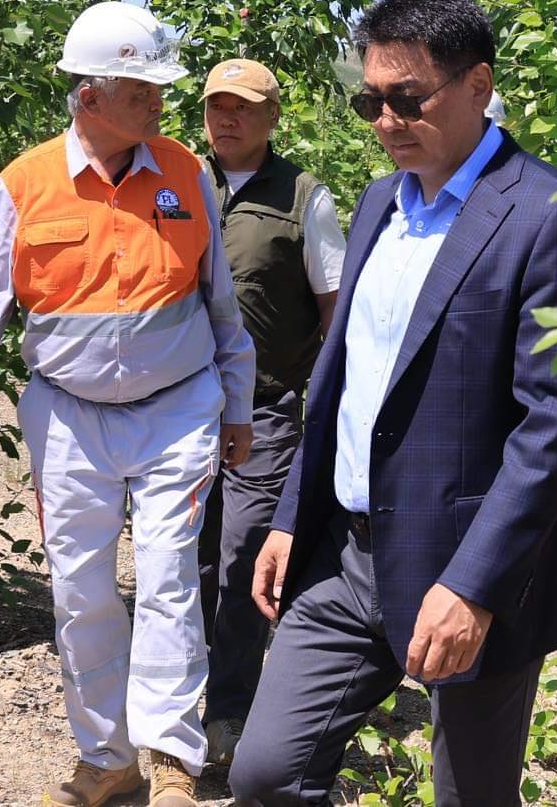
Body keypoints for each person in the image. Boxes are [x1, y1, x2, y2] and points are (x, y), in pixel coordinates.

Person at [227, 0, 557, 807]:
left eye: (407, 99)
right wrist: (292, 516)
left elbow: (556, 423)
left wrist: (473, 586)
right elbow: (340, 377)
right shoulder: (376, 206)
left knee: (469, 795)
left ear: (478, 85)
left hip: (470, 565)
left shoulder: (550, 215)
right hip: (346, 554)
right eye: (371, 100)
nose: (386, 121)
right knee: (265, 775)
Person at [0, 2, 256, 807]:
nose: (160, 104)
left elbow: (221, 305)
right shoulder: (25, 185)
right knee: (81, 588)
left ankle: (172, 761)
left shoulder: (184, 173)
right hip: (67, 416)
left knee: (172, 576)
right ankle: (106, 762)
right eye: (142, 89)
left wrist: (235, 404)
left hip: (177, 410)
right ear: (90, 96)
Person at [193, 57, 347, 767]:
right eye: (217, 107)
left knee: (243, 558)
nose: (228, 119)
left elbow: (334, 311)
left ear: (272, 117)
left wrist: (308, 392)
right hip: (179, 413)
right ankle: (180, 705)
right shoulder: (178, 181)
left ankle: (228, 714)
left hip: (266, 412)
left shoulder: (303, 196)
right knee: (182, 560)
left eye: (244, 108)